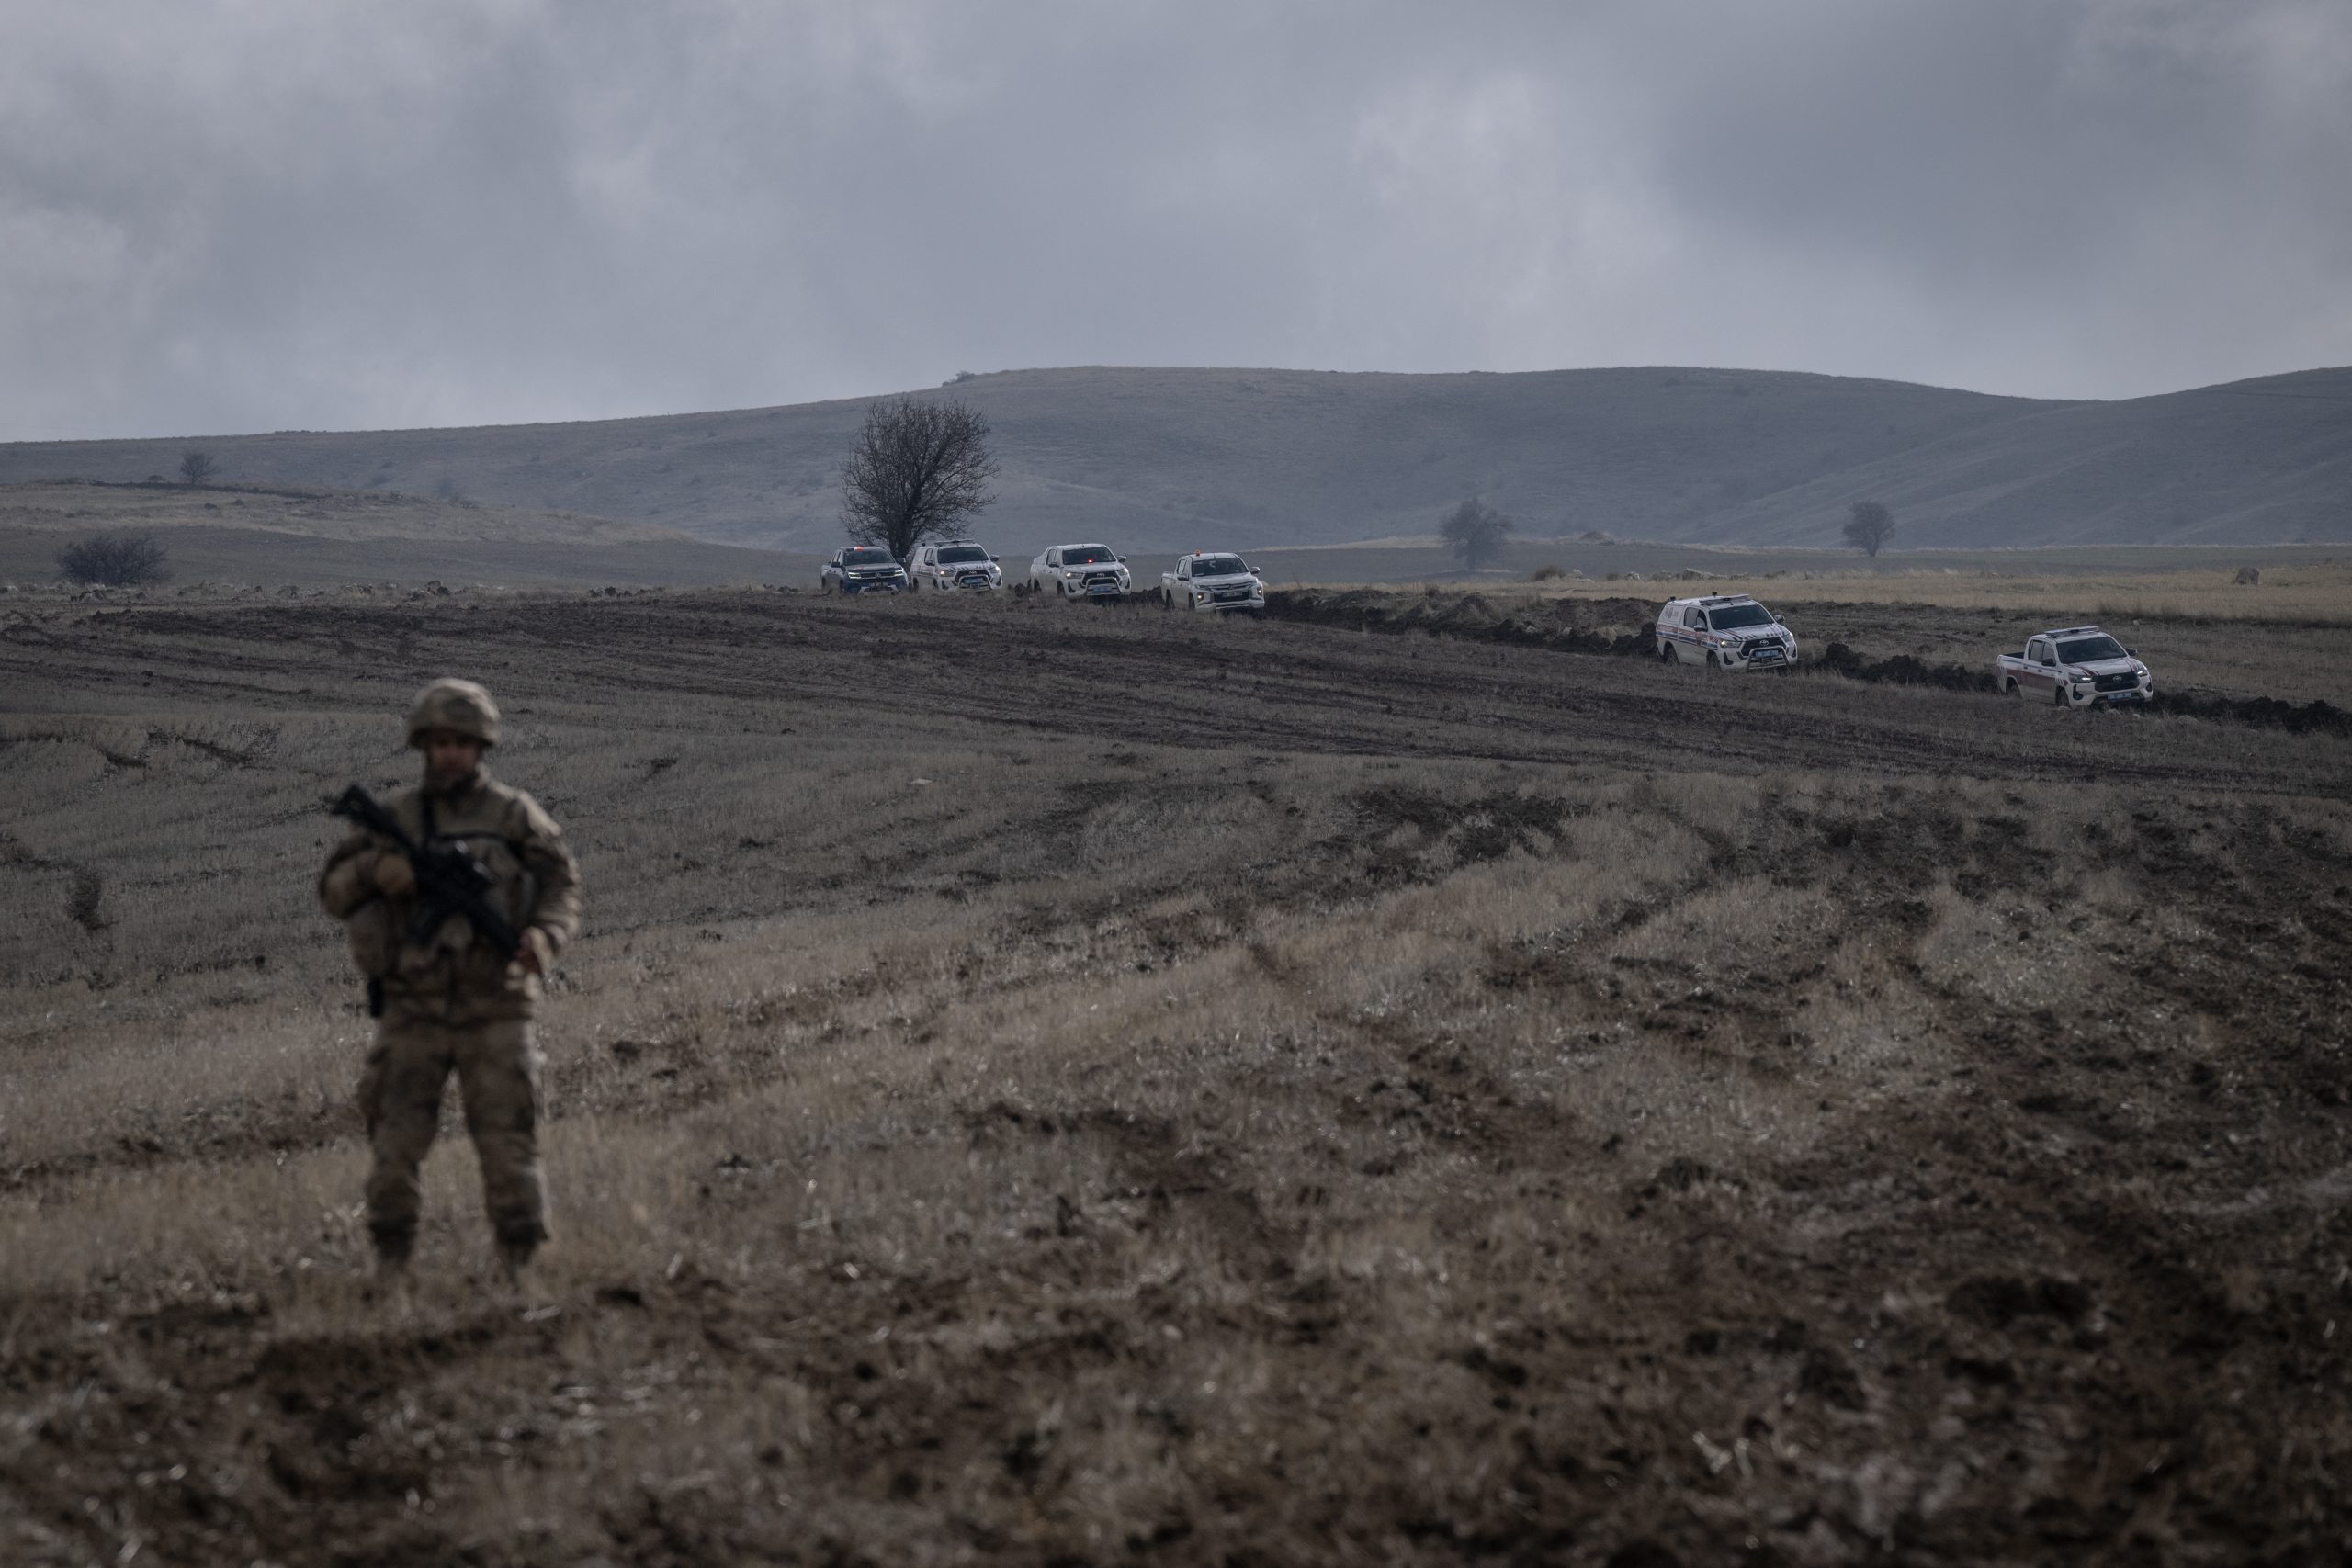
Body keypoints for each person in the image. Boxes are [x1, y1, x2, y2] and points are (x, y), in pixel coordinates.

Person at [319, 678, 582, 1281]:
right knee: (394, 1144)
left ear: (481, 746)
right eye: (439, 742)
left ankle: (520, 1266)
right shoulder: (396, 818)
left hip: (498, 1004)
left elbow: (561, 886)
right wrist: (377, 870)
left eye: (462, 742)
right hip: (413, 1008)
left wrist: (544, 937)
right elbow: (334, 892)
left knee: (509, 1141)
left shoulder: (514, 815)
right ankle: (392, 1264)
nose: (451, 754)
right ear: (423, 746)